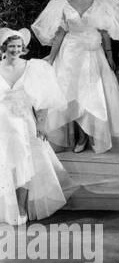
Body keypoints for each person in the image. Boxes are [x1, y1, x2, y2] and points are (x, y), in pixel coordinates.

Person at [30, 0, 119, 154]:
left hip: (92, 53)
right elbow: (60, 34)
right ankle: (78, 136)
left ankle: (92, 135)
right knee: (72, 94)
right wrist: (51, 59)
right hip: (70, 53)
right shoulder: (62, 3)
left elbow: (104, 32)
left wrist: (109, 54)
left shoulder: (100, 1)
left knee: (93, 94)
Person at [0, 27, 71, 226]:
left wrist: (41, 125)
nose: (15, 49)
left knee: (25, 162)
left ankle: (21, 206)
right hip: (2, 123)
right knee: (4, 163)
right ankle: (7, 207)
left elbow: (43, 101)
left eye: (18, 46)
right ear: (4, 47)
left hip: (24, 122)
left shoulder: (33, 68)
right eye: (11, 46)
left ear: (23, 48)